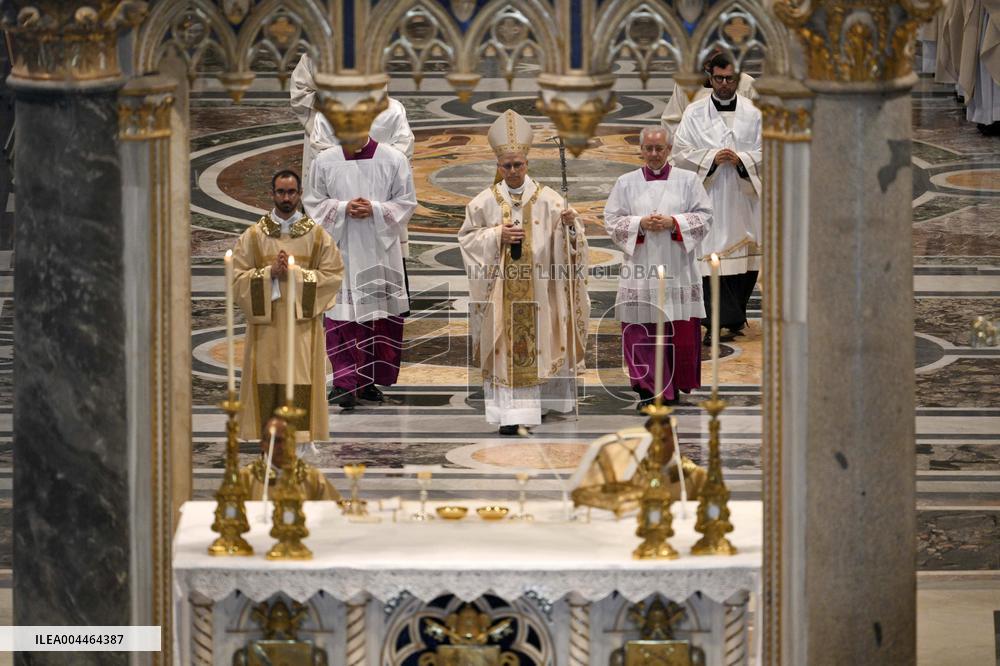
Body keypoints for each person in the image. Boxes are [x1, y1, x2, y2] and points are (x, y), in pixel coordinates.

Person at [459, 110, 590, 435]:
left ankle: (539, 406)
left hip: (541, 293)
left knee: (542, 345)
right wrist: (496, 236)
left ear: (527, 163)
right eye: (507, 166)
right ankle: (510, 415)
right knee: (506, 350)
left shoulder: (551, 200)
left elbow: (573, 249)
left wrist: (570, 229)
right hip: (501, 295)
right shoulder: (483, 203)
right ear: (498, 166)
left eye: (518, 165)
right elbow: (467, 239)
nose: (513, 171)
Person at [303, 134, 417, 410]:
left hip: (380, 251)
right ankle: (343, 383)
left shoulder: (393, 159)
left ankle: (366, 382)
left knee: (376, 320)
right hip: (340, 250)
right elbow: (313, 202)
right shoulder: (324, 161)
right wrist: (343, 208)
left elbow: (406, 202)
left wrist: (375, 209)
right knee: (341, 318)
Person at [604, 126, 713, 409]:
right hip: (640, 270)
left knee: (679, 332)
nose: (654, 154)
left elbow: (705, 216)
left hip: (678, 267)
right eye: (648, 148)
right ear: (641, 150)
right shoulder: (625, 182)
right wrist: (639, 223)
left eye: (659, 148)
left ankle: (671, 387)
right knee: (640, 331)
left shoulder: (688, 180)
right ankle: (648, 390)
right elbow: (611, 221)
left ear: (669, 150)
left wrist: (674, 222)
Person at [232, 170, 344, 443]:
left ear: (300, 194)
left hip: (301, 326)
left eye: (291, 192)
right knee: (267, 376)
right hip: (266, 328)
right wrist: (269, 273)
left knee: (300, 377)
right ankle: (268, 440)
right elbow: (236, 278)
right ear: (272, 194)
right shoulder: (254, 236)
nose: (286, 198)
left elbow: (333, 275)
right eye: (281, 192)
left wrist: (295, 275)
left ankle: (300, 441)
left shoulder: (317, 236)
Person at [673, 52, 762, 344]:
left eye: (730, 79)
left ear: (738, 79)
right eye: (719, 79)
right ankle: (715, 321)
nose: (724, 84)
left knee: (743, 262)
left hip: (742, 197)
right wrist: (711, 158)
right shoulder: (694, 113)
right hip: (708, 195)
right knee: (709, 259)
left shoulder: (755, 113)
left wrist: (743, 160)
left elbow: (770, 150)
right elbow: (680, 152)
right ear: (710, 79)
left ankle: (735, 317)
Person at [290, 53, 415, 179]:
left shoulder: (393, 111)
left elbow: (402, 146)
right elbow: (300, 93)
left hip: (377, 174)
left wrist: (376, 161)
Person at [660, 49, 757, 138]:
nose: (723, 83)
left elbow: (758, 126)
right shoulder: (686, 83)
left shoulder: (747, 84)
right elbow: (671, 124)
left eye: (715, 52)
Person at [239, 416, 341, 501]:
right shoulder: (246, 478)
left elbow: (334, 512)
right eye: (276, 441)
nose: (283, 446)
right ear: (262, 445)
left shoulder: (314, 479)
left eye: (287, 440)